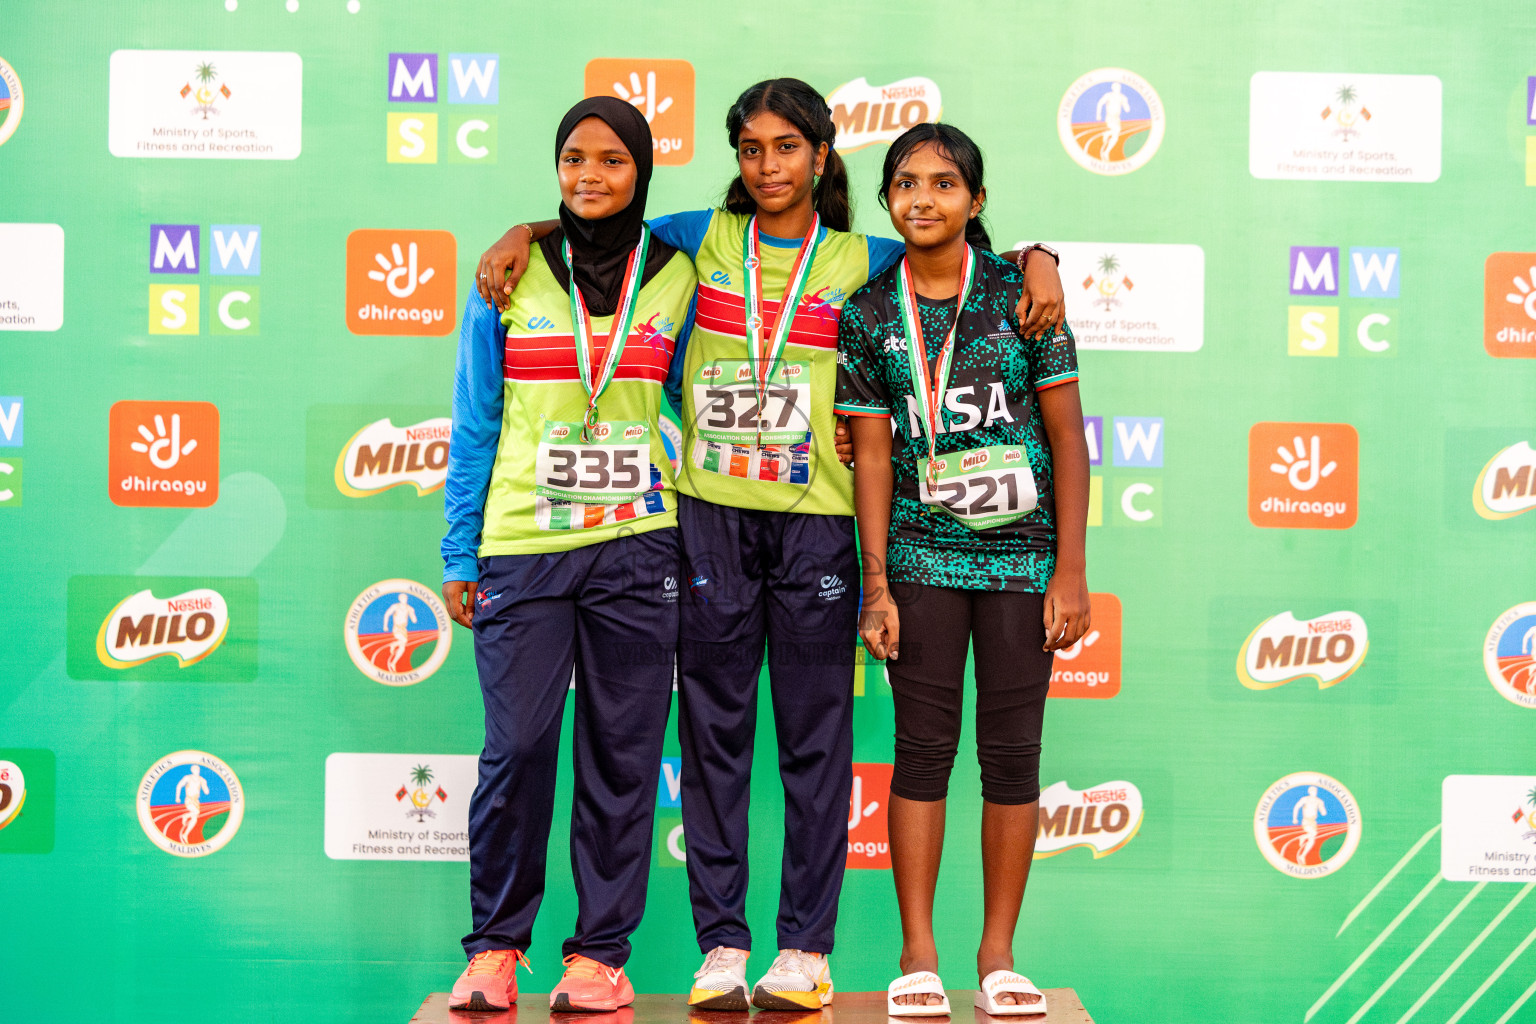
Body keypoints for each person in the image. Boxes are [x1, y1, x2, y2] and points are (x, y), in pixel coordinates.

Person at [473, 79, 1068, 1011]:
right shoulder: (697, 239)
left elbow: (952, 250)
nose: (767, 165)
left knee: (815, 742)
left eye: (787, 148)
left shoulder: (861, 256)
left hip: (820, 524)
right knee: (714, 738)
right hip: (709, 513)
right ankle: (722, 944)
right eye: (749, 149)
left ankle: (804, 948)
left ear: (822, 157)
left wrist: (1043, 256)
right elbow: (599, 212)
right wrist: (522, 233)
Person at [439, 96, 697, 1014]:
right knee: (514, 752)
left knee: (623, 756)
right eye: (573, 159)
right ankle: (496, 950)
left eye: (612, 161)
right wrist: (459, 554)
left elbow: (694, 398)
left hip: (638, 544)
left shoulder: (679, 273)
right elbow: (473, 426)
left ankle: (598, 956)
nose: (590, 176)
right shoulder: (506, 275)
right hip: (522, 549)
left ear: (642, 172)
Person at [837, 123, 1090, 1018]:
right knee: (923, 751)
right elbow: (869, 457)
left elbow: (1067, 438)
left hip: (1023, 565)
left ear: (976, 202)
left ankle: (998, 956)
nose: (924, 199)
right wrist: (876, 583)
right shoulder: (869, 313)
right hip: (920, 557)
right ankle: (918, 955)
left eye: (946, 183)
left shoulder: (1024, 294)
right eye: (906, 183)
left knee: (1013, 755)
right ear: (887, 199)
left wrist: (1070, 570)